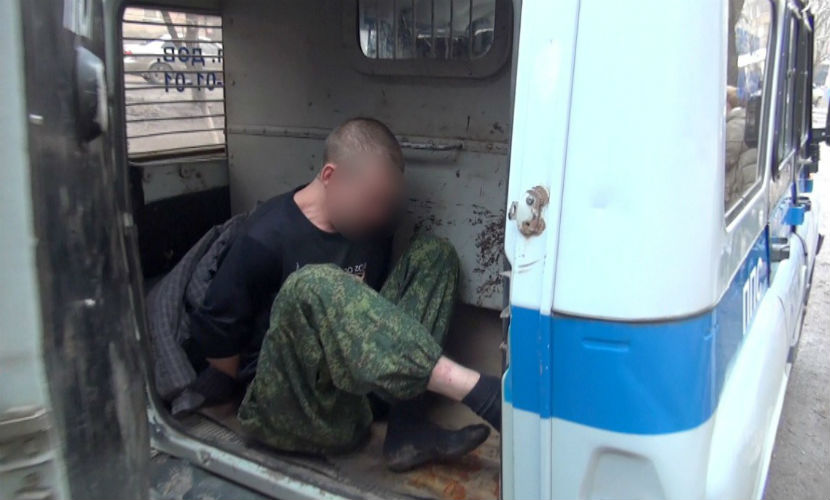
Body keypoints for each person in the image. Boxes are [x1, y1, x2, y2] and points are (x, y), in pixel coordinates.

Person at [187, 117, 501, 471]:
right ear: (330, 176)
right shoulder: (264, 236)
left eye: (386, 203)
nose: (379, 213)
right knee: (312, 283)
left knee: (435, 254)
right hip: (295, 405)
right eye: (372, 200)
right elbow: (220, 346)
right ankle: (480, 392)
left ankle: (407, 428)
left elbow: (372, 316)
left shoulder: (370, 230)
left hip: (358, 398)